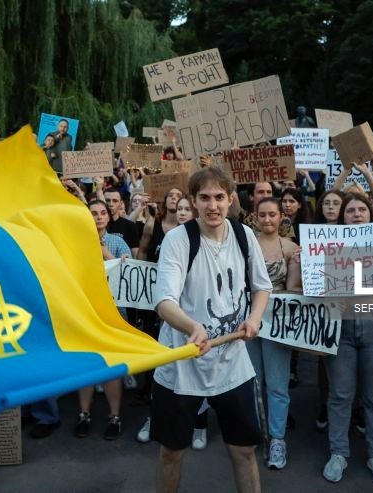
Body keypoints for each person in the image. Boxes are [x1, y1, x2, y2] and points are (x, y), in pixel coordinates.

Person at [152, 166, 272, 493]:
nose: (213, 205)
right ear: (193, 201)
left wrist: (254, 318)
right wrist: (193, 326)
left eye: (219, 197)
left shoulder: (244, 235)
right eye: (204, 198)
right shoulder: (178, 240)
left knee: (244, 450)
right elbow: (164, 301)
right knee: (171, 453)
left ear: (231, 199)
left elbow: (261, 287)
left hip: (232, 363)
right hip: (180, 362)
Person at [320, 192, 373, 488]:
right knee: (340, 395)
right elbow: (316, 288)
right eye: (350, 210)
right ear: (343, 217)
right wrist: (306, 263)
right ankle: (338, 453)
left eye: (362, 209)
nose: (356, 214)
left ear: (370, 215)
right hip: (341, 329)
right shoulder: (327, 247)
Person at [246, 198, 301, 470]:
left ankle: (277, 439)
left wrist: (304, 267)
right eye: (262, 215)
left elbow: (293, 289)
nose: (267, 219)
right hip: (247, 321)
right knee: (252, 381)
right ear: (254, 217)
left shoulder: (291, 248)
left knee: (278, 384)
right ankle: (256, 432)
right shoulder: (244, 245)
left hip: (278, 323)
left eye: (272, 215)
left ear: (281, 217)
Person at [75, 200, 131, 440]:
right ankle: (84, 415)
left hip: (113, 313)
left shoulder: (117, 242)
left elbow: (126, 274)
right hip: (85, 311)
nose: (98, 217)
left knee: (112, 366)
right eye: (93, 213)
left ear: (108, 217)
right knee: (86, 365)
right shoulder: (76, 243)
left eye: (102, 213)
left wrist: (103, 250)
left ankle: (114, 417)